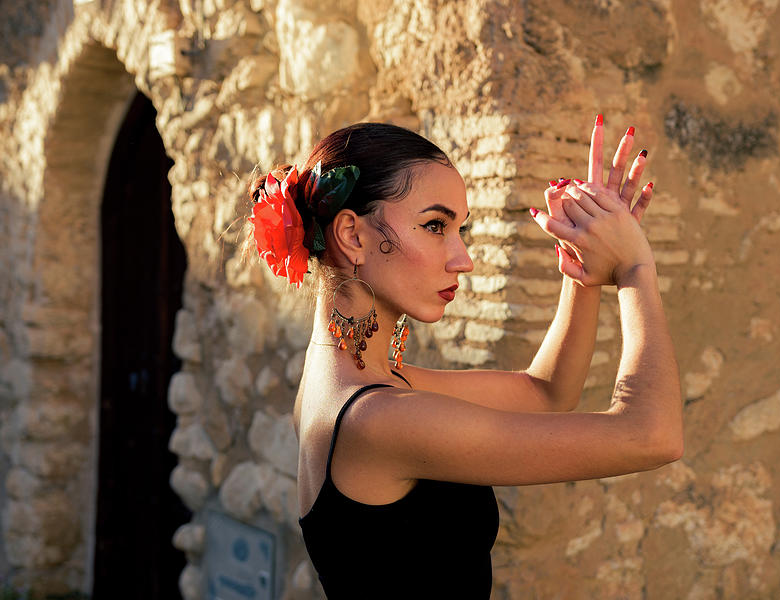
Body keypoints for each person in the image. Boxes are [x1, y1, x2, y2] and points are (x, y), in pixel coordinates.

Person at [246, 118, 682, 598]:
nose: (463, 258)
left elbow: (547, 392)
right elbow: (651, 436)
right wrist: (636, 266)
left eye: (459, 228)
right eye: (435, 225)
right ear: (352, 235)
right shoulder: (377, 419)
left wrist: (581, 270)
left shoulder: (352, 389)